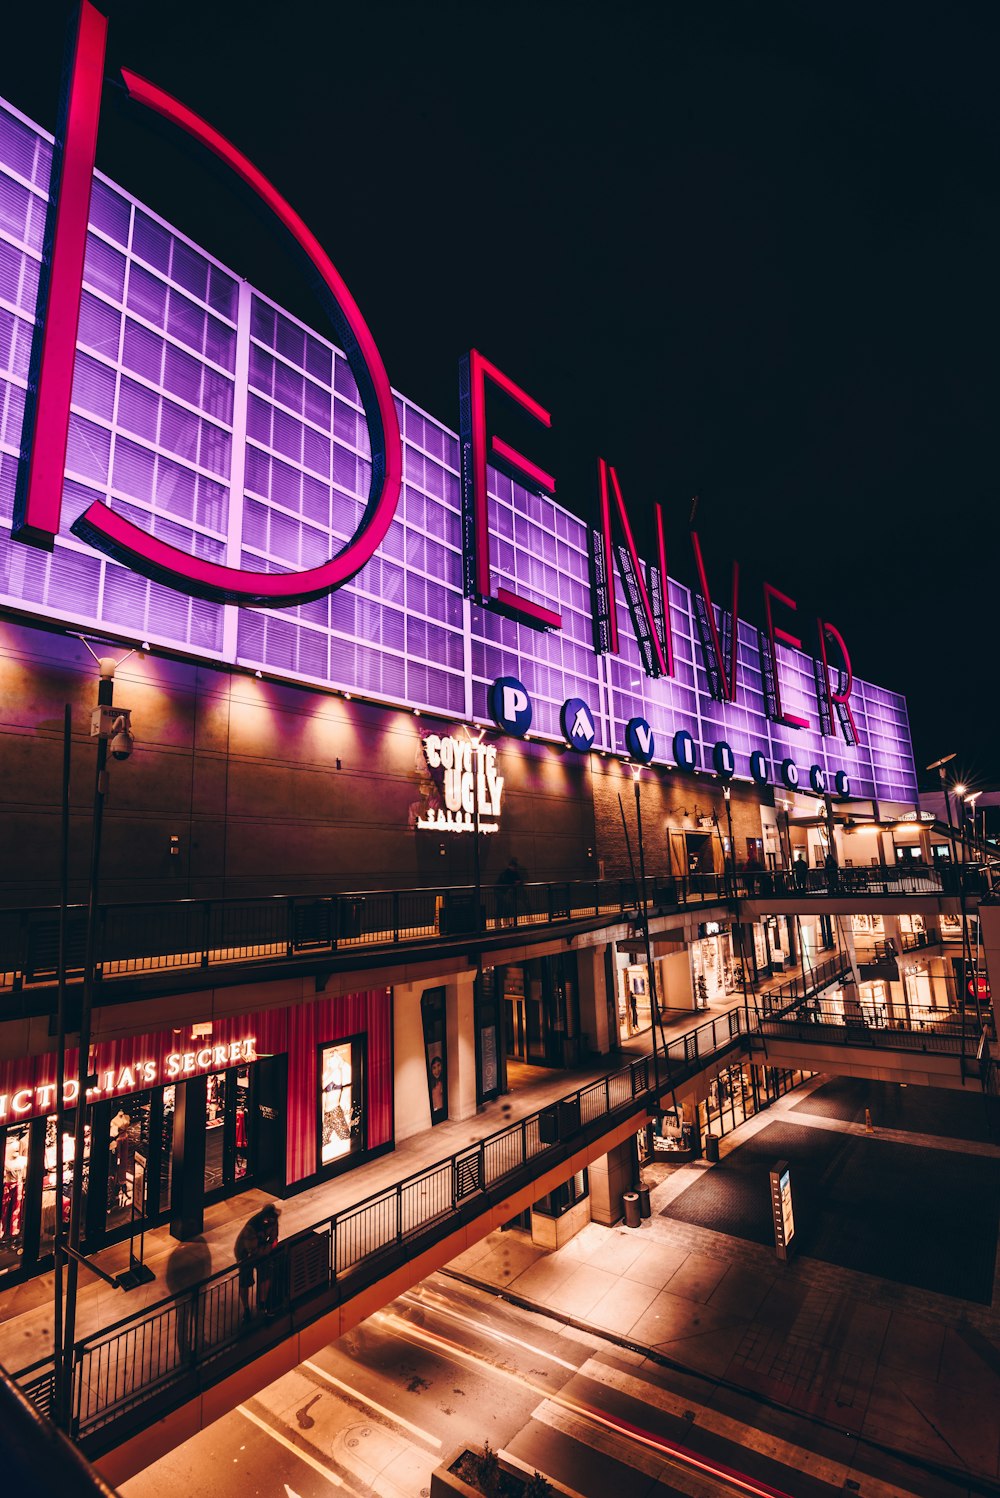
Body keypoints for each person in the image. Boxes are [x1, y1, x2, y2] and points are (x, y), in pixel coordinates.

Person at [234, 1203, 280, 1323]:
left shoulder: (273, 1220)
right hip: (245, 1254)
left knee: (266, 1275)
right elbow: (252, 1250)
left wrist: (270, 1245)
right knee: (245, 1281)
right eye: (268, 1220)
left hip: (261, 1250)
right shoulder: (251, 1227)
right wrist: (268, 1247)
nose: (271, 1222)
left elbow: (274, 1238)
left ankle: (262, 1304)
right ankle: (246, 1310)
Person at [495, 858, 523, 925]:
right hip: (502, 891)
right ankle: (502, 922)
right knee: (503, 906)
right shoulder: (507, 873)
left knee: (504, 906)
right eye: (513, 866)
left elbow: (519, 880)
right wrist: (515, 883)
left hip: (504, 891)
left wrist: (516, 882)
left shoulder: (509, 872)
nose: (514, 868)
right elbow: (507, 881)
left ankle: (502, 922)